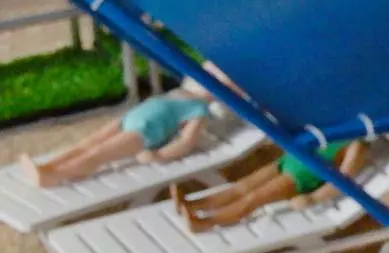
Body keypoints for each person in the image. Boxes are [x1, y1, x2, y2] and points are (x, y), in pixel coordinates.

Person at [20, 61, 236, 187]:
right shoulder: (181, 91)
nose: (203, 75)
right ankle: (49, 166)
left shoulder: (198, 109)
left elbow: (186, 141)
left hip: (145, 132)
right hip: (131, 118)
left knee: (98, 153)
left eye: (213, 77)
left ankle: (54, 176)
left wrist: (159, 156)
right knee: (89, 142)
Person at [173, 139, 368, 232]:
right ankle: (194, 205)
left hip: (301, 177)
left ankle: (206, 222)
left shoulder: (355, 145)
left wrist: (314, 197)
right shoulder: (333, 124)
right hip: (288, 162)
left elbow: (343, 180)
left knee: (254, 198)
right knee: (240, 187)